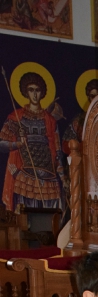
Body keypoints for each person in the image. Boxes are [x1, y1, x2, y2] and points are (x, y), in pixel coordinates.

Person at [0, 71, 66, 212]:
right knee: (25, 219)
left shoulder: (50, 120)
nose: (34, 94)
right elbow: (1, 144)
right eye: (31, 90)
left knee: (52, 218)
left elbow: (57, 152)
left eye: (37, 90)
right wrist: (18, 144)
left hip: (49, 180)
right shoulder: (16, 117)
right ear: (26, 92)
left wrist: (62, 177)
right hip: (24, 178)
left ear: (42, 93)